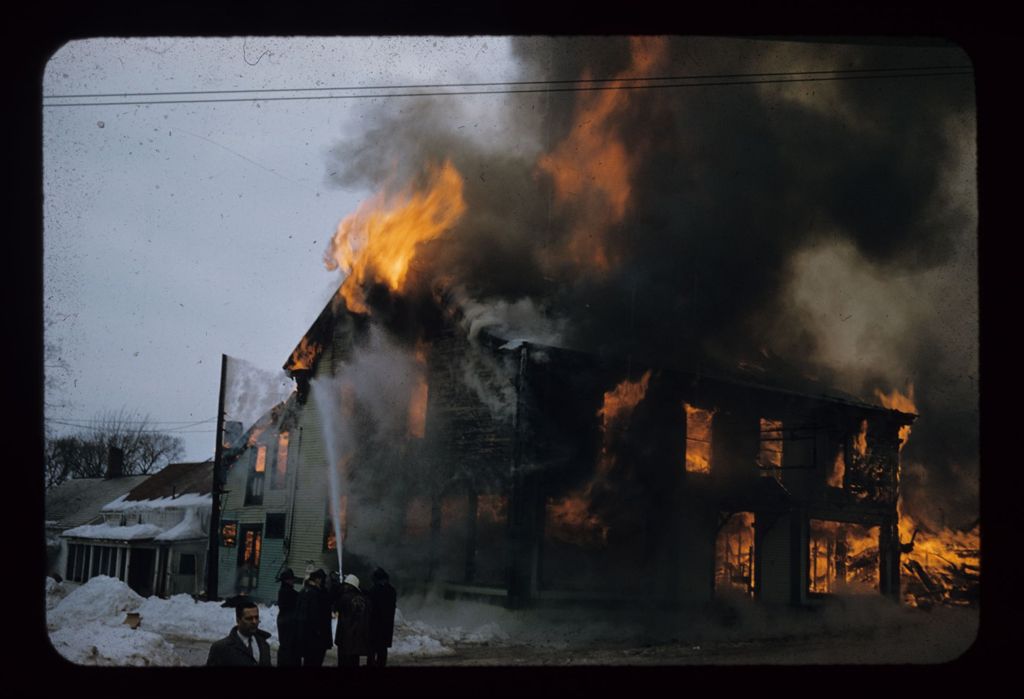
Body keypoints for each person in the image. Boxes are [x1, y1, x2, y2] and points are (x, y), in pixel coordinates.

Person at [206, 600, 272, 666]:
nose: (254, 622)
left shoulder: (264, 645)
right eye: (249, 618)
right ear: (238, 620)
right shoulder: (220, 648)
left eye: (256, 618)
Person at [295, 568, 333, 667]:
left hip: (306, 635)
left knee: (309, 661)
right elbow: (315, 616)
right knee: (314, 661)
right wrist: (319, 631)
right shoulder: (314, 594)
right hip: (315, 637)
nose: (323, 582)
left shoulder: (304, 591)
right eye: (322, 579)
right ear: (317, 579)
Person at [334, 573, 372, 667]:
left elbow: (336, 608)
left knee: (343, 661)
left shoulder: (344, 598)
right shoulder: (365, 599)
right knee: (354, 661)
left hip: (345, 635)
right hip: (358, 636)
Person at [367, 567, 397, 667]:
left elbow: (370, 608)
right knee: (382, 650)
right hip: (386, 626)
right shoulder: (392, 590)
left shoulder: (374, 590)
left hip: (374, 625)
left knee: (371, 650)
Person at [275, 568, 300, 667]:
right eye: (291, 579)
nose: (292, 581)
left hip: (284, 620)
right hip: (287, 622)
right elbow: (297, 596)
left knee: (285, 646)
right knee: (287, 647)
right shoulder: (287, 591)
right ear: (286, 580)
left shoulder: (285, 590)